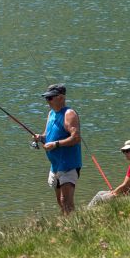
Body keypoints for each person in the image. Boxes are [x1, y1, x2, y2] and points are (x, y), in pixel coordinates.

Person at [33, 84, 81, 215]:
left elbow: (76, 138)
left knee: (65, 200)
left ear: (60, 98)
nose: (47, 101)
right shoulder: (51, 114)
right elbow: (47, 135)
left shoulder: (69, 114)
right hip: (55, 165)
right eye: (46, 98)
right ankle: (67, 223)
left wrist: (55, 144)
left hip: (69, 164)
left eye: (50, 98)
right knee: (60, 202)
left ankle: (74, 227)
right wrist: (41, 137)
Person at [88, 139, 130, 207]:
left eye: (127, 151)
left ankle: (86, 214)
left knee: (98, 197)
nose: (125, 153)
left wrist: (114, 193)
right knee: (100, 193)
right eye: (123, 151)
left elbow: (125, 185)